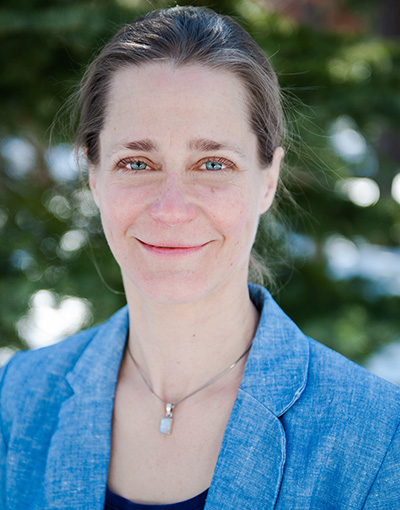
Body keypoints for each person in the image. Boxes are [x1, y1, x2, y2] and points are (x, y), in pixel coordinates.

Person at [1, 6, 399, 510]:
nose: (171, 208)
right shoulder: (17, 401)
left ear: (268, 179)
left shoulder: (379, 437)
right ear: (94, 175)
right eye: (136, 162)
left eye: (213, 163)